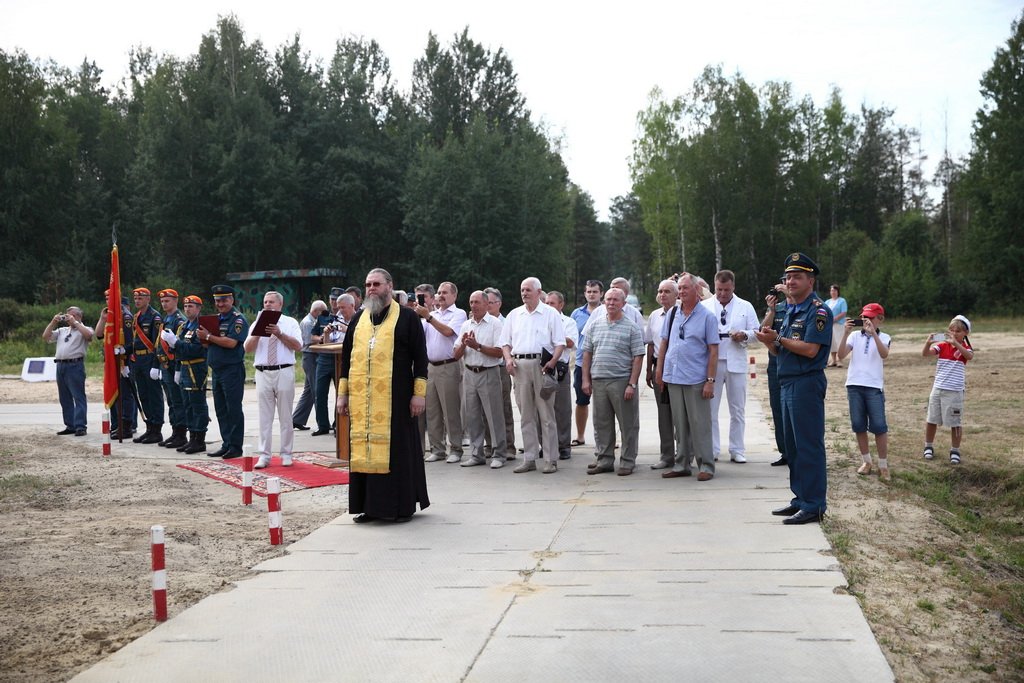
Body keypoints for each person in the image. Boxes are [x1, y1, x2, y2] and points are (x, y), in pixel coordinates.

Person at [336, 268, 430, 524]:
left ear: (389, 286)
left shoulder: (407, 317)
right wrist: (342, 395)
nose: (371, 289)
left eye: (376, 284)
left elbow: (420, 359)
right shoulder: (358, 319)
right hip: (362, 400)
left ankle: (399, 508)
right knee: (364, 450)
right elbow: (347, 358)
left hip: (397, 398)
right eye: (368, 284)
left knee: (397, 452)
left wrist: (419, 395)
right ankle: (369, 507)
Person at [754, 253, 832, 525]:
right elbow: (779, 350)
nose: (790, 282)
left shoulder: (818, 310)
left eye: (797, 277)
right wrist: (768, 341)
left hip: (806, 383)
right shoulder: (791, 310)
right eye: (788, 277)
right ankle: (800, 499)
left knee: (808, 445)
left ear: (811, 281)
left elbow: (810, 350)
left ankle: (814, 505)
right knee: (794, 447)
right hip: (787, 382)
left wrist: (778, 338)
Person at [655, 273, 719, 481]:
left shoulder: (707, 317)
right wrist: (660, 370)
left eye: (685, 288)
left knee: (700, 424)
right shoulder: (673, 313)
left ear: (696, 290)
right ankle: (682, 464)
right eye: (679, 288)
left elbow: (713, 351)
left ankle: (706, 465)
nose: (681, 292)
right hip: (674, 377)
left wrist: (710, 381)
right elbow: (664, 343)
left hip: (696, 379)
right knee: (680, 425)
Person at [500, 277, 566, 474]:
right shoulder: (514, 314)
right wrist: (508, 359)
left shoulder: (550, 313)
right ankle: (529, 458)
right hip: (519, 366)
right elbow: (505, 343)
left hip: (542, 366)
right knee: (526, 415)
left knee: (546, 414)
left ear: (538, 292)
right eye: (522, 290)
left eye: (528, 290)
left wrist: (552, 362)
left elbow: (560, 343)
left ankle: (550, 459)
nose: (524, 293)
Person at [581, 288, 645, 475]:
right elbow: (587, 353)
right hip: (599, 381)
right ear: (604, 302)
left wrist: (632, 384)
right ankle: (605, 460)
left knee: (628, 424)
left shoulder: (631, 327)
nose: (611, 303)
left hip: (621, 381)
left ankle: (627, 461)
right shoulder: (595, 325)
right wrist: (586, 379)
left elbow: (638, 357)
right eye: (608, 299)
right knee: (602, 424)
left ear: (623, 304)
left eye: (615, 300)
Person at [702, 270, 760, 464]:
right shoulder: (705, 306)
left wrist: (744, 335)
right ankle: (712, 449)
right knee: (711, 409)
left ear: (733, 287)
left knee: (737, 409)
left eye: (726, 290)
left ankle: (737, 449)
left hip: (736, 360)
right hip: (712, 363)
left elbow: (757, 332)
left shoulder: (745, 306)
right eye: (719, 289)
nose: (722, 293)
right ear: (714, 286)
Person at [244, 291, 302, 469]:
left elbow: (298, 346)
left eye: (271, 302)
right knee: (265, 417)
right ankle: (264, 455)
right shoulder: (256, 323)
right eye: (265, 302)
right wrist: (257, 333)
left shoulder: (290, 323)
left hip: (283, 370)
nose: (267, 305)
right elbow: (247, 349)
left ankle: (286, 453)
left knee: (285, 416)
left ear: (280, 305)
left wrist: (280, 333)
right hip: (263, 373)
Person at [452, 290, 506, 468]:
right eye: (471, 302)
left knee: (493, 414)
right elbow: (456, 354)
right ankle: (477, 454)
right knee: (472, 415)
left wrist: (477, 346)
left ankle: (499, 453)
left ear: (486, 304)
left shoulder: (495, 324)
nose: (473, 305)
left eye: (477, 302)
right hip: (469, 373)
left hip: (488, 372)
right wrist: (465, 345)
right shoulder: (466, 325)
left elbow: (499, 352)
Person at [414, 282, 467, 463]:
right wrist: (417, 315)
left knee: (450, 410)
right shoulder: (432, 314)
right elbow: (419, 335)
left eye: (445, 292)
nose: (441, 295)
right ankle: (437, 449)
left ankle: (456, 449)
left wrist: (428, 316)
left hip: (448, 365)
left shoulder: (458, 314)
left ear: (454, 295)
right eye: (439, 292)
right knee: (432, 411)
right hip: (431, 367)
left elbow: (447, 332)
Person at [839, 303, 892, 481]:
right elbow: (841, 355)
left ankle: (883, 465)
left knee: (879, 426)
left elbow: (884, 354)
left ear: (880, 319)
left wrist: (873, 334)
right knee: (858, 424)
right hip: (854, 384)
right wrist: (845, 333)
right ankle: (866, 461)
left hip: (874, 387)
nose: (865, 320)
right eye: (863, 317)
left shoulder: (884, 337)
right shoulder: (854, 335)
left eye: (870, 317)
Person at [200, 284, 249, 459]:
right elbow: (210, 344)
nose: (220, 304)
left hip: (232, 369)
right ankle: (226, 443)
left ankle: (235, 446)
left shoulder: (238, 320)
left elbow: (231, 342)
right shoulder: (215, 319)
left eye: (224, 300)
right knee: (221, 409)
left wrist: (208, 336)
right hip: (217, 370)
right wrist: (204, 338)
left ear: (231, 300)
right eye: (217, 301)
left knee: (233, 408)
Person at [922, 315, 974, 465]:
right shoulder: (942, 346)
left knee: (955, 422)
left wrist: (956, 344)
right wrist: (928, 342)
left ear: (966, 333)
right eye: (951, 330)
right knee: (931, 419)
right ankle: (928, 446)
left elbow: (969, 356)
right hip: (938, 388)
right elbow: (925, 354)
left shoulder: (965, 348)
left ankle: (955, 450)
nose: (954, 333)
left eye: (958, 331)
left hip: (955, 391)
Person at [167, 295, 210, 454]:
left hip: (196, 368)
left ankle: (199, 439)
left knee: (197, 404)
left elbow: (197, 349)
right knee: (187, 405)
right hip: (185, 368)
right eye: (185, 306)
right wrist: (177, 367)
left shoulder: (201, 327)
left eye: (191, 306)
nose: (187, 309)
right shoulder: (184, 326)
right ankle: (192, 437)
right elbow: (178, 350)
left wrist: (176, 343)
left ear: (199, 308)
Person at [43, 306, 94, 436]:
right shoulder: (62, 330)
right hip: (60, 365)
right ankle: (70, 425)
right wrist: (53, 322)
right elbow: (46, 336)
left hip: (75, 365)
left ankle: (80, 426)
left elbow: (89, 336)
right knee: (64, 398)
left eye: (71, 316)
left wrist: (75, 323)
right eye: (67, 316)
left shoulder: (85, 329)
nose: (68, 318)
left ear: (78, 316)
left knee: (78, 396)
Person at [645, 279, 678, 469]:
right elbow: (651, 343)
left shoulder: (682, 313)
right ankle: (667, 456)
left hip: (679, 368)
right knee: (664, 414)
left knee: (681, 414)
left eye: (667, 291)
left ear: (676, 295)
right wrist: (649, 370)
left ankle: (685, 454)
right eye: (660, 291)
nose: (662, 294)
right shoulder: (655, 316)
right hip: (659, 367)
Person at [312, 293, 354, 436]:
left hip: (345, 360)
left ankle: (339, 425)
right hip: (327, 357)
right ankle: (323, 425)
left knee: (341, 394)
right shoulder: (334, 318)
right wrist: (326, 334)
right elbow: (326, 343)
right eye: (338, 307)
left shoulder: (359, 319)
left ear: (352, 306)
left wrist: (346, 329)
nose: (340, 310)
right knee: (319, 392)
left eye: (343, 307)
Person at [96, 294, 137, 438]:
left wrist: (125, 361)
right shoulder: (110, 316)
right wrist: (103, 318)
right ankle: (117, 425)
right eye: (106, 299)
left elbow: (130, 342)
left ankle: (127, 426)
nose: (108, 301)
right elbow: (99, 335)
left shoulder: (125, 316)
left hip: (124, 361)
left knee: (125, 395)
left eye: (110, 298)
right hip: (112, 361)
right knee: (114, 391)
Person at [545, 291, 579, 460]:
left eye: (552, 303)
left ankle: (564, 445)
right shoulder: (540, 320)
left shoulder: (568, 322)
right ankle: (546, 444)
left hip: (559, 368)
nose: (548, 306)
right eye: (546, 303)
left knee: (562, 409)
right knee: (543, 409)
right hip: (541, 367)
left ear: (561, 305)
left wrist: (555, 337)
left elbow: (571, 342)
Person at [129, 287, 166, 444]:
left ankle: (157, 430)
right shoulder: (136, 316)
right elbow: (135, 341)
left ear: (148, 299)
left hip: (150, 359)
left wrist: (156, 364)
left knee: (154, 395)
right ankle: (149, 427)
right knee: (143, 394)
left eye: (140, 298)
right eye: (136, 298)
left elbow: (157, 343)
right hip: (138, 360)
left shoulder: (155, 317)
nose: (137, 301)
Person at [484, 286, 517, 459]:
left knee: (504, 409)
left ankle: (509, 446)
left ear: (499, 303)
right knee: (485, 409)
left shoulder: (506, 323)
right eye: (485, 302)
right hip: (484, 369)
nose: (487, 305)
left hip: (500, 368)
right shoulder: (478, 322)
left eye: (490, 302)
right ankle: (490, 445)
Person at [571, 280, 603, 447]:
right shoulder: (576, 314)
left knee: (605, 404)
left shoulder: (607, 311)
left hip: (602, 363)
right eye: (589, 291)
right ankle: (580, 435)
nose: (591, 294)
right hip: (580, 364)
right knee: (581, 401)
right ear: (585, 294)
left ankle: (606, 438)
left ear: (601, 294)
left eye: (595, 291)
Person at [155, 289, 188, 449]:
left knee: (177, 401)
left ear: (175, 301)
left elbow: (179, 345)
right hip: (165, 365)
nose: (164, 304)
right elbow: (159, 344)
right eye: (162, 301)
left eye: (167, 301)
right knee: (171, 401)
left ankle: (181, 434)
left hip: (173, 365)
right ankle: (175, 432)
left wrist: (178, 368)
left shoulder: (179, 320)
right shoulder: (166, 318)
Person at [762, 281, 790, 467]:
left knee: (794, 411)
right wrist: (771, 310)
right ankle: (785, 452)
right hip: (775, 365)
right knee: (778, 409)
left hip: (794, 364)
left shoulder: (805, 307)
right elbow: (763, 330)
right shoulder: (777, 308)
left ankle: (798, 452)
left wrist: (789, 295)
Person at [292, 299, 329, 430]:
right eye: (323, 312)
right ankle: (322, 423)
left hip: (312, 356)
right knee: (316, 390)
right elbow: (309, 341)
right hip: (310, 357)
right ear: (316, 311)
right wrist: (323, 339)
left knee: (308, 391)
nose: (324, 315)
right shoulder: (308, 323)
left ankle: (297, 419)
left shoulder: (313, 321)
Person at [826, 284, 848, 367]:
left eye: (834, 290)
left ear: (838, 291)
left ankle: (840, 360)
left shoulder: (842, 301)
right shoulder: (827, 302)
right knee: (832, 342)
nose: (833, 292)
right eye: (831, 290)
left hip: (839, 324)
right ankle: (833, 360)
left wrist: (834, 319)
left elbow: (843, 312)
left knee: (839, 341)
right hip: (829, 325)